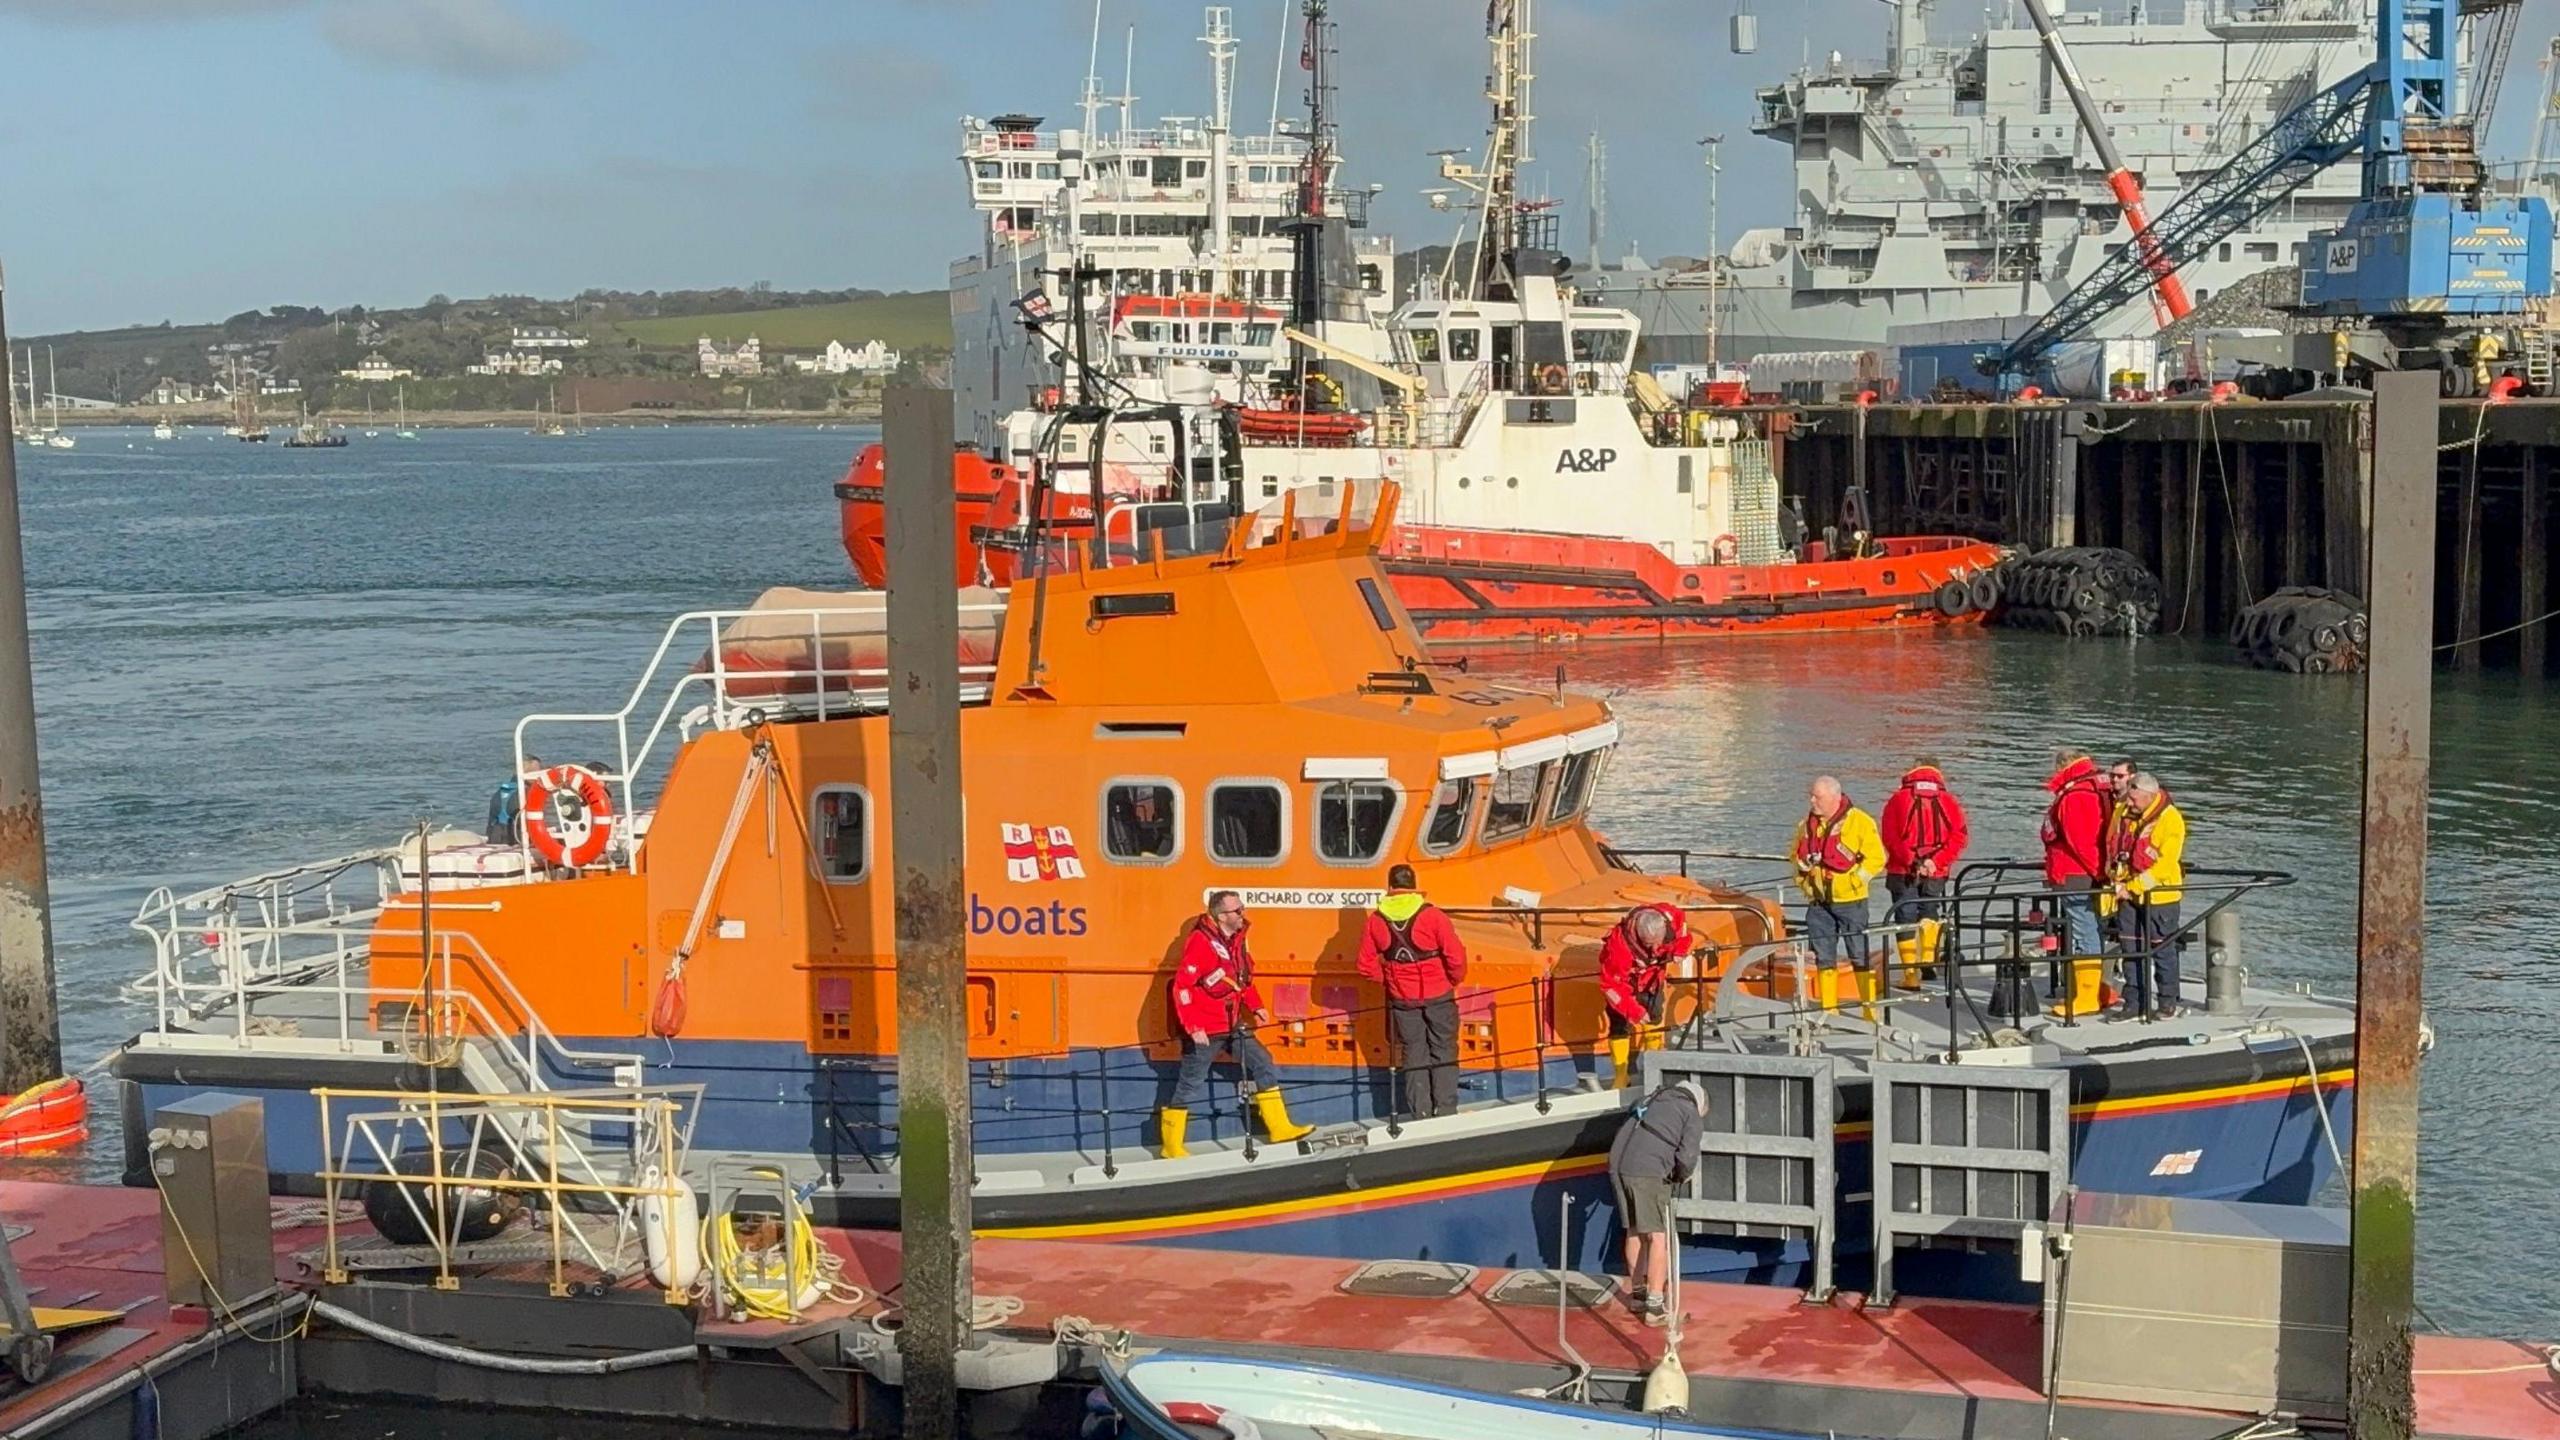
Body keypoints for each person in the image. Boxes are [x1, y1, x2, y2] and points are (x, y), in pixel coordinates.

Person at [1161, 892, 1312, 1157]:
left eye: (1242, 908)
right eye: (1237, 910)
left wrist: (1257, 1006)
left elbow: (1242, 979)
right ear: (1221, 916)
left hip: (1232, 1023)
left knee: (1262, 1061)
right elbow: (1182, 988)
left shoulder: (1237, 941)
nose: (1243, 914)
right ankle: (1171, 1146)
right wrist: (1193, 1026)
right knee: (1189, 1083)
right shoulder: (1200, 943)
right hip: (1207, 1029)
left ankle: (1279, 1127)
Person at [1358, 864, 1469, 1118]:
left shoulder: (1376, 921)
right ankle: (1446, 1109)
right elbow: (1456, 956)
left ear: (1390, 887)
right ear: (1414, 887)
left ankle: (1420, 1112)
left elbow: (1364, 965)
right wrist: (1452, 979)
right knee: (1444, 1048)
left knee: (1413, 1052)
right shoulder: (1433, 916)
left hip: (1402, 999)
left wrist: (1388, 981)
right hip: (1439, 993)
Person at [1608, 1076, 1708, 1328]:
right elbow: (1687, 1156)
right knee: (1658, 1237)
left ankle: (1638, 1296)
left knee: (1634, 1230)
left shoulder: (1651, 1098)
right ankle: (1654, 1306)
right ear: (1699, 1103)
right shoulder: (1690, 1112)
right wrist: (1679, 1176)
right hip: (1647, 1171)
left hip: (1618, 1166)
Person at [1879, 760, 1969, 982]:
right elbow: (1959, 836)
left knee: (1904, 916)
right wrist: (1936, 861)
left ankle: (1911, 975)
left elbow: (1890, 837)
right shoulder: (1949, 800)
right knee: (1930, 910)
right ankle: (1928, 960)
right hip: (1936, 871)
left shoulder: (1898, 799)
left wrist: (1913, 860)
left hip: (1903, 869)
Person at [2107, 773, 2188, 1020]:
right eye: (2128, 798)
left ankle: (2167, 1001)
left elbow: (2165, 864)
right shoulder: (2125, 812)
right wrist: (2116, 880)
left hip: (2160, 897)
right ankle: (2134, 1002)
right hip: (2127, 894)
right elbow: (2115, 845)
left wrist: (2135, 886)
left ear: (2150, 795)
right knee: (2130, 948)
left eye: (2133, 799)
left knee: (2162, 950)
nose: (2128, 804)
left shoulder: (2170, 819)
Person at [1792, 776, 1886, 973]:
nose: (1812, 801)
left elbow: (1876, 858)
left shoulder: (1860, 822)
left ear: (1834, 798)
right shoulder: (1806, 826)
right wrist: (1803, 875)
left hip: (1851, 901)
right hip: (1819, 901)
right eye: (1811, 796)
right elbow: (1794, 854)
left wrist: (1856, 880)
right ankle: (1829, 1005)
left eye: (1817, 797)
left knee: (1859, 954)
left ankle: (1867, 1003)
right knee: (1823, 957)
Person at [1598, 902, 1690, 1088]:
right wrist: (1634, 1011)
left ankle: (1653, 1069)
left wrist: (1679, 950)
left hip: (1653, 980)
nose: (1656, 947)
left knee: (1655, 1018)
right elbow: (1611, 986)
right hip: (1626, 983)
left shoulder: (1672, 918)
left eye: (1659, 942)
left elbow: (1685, 936)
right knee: (1619, 1026)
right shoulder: (1619, 947)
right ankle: (1621, 1075)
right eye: (1650, 944)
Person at [2040, 749, 2109, 961]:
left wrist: (2098, 872)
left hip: (2074, 874)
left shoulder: (2076, 796)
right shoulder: (2099, 789)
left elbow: (2080, 842)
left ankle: (2086, 988)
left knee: (2084, 932)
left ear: (2062, 767)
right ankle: (2089, 983)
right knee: (2092, 928)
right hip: (2090, 873)